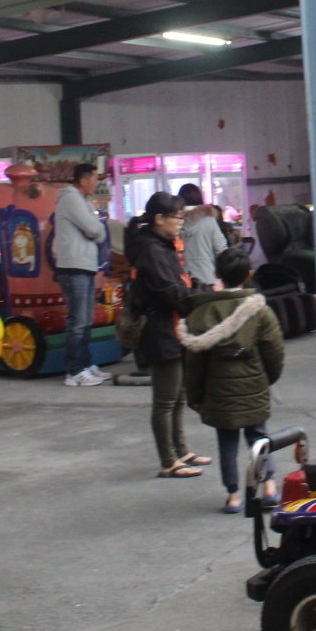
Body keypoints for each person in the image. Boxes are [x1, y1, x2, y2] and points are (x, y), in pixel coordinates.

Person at [178, 248, 284, 513]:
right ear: (248, 275)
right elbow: (275, 352)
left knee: (227, 442)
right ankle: (269, 487)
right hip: (254, 384)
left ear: (217, 274)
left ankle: (234, 495)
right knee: (259, 437)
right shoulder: (261, 311)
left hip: (218, 389)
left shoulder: (201, 314)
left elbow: (193, 363)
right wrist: (265, 380)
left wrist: (196, 397)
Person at [125, 191, 208, 478]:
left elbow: (180, 282)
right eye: (178, 217)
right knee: (165, 399)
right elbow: (170, 292)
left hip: (173, 326)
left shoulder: (163, 244)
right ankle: (168, 461)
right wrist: (198, 296)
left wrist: (197, 289)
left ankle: (181, 451)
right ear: (159, 218)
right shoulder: (151, 250)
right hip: (160, 329)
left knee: (179, 395)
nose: (181, 223)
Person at [53, 162, 110, 387]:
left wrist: (95, 231)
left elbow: (97, 231)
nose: (97, 183)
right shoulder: (71, 199)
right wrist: (95, 231)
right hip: (74, 267)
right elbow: (96, 230)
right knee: (78, 321)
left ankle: (85, 366)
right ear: (84, 179)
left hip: (85, 266)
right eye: (95, 178)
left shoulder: (83, 200)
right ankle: (74, 371)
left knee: (85, 321)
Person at [177, 183, 230, 290]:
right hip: (209, 280)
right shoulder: (208, 220)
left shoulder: (174, 222)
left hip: (182, 281)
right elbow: (221, 250)